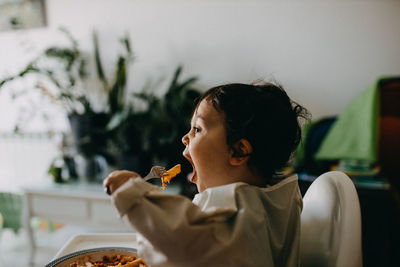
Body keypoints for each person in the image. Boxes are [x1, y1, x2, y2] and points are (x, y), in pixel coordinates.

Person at [104, 82, 309, 267]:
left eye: (197, 129)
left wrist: (134, 194)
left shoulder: (236, 210)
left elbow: (183, 242)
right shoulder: (279, 198)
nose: (186, 138)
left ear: (238, 151)